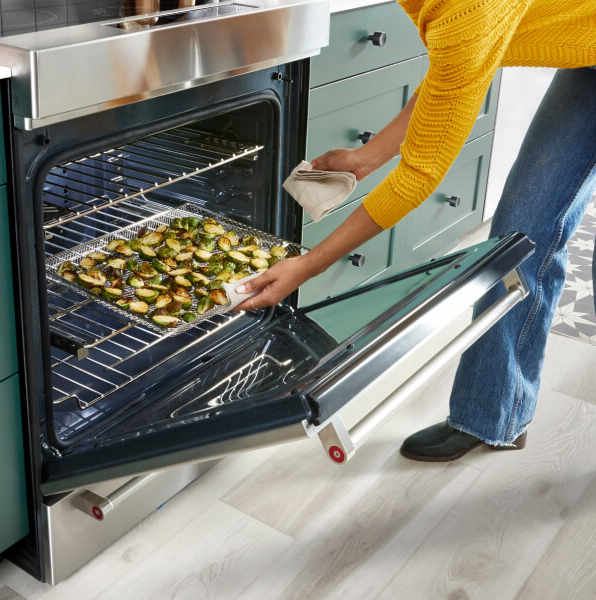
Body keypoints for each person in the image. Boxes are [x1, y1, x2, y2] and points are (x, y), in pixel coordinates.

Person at [232, 0, 596, 461]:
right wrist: (366, 158)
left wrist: (308, 264)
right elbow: (450, 78)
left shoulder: (469, 11)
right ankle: (496, 414)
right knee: (522, 234)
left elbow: (419, 175)